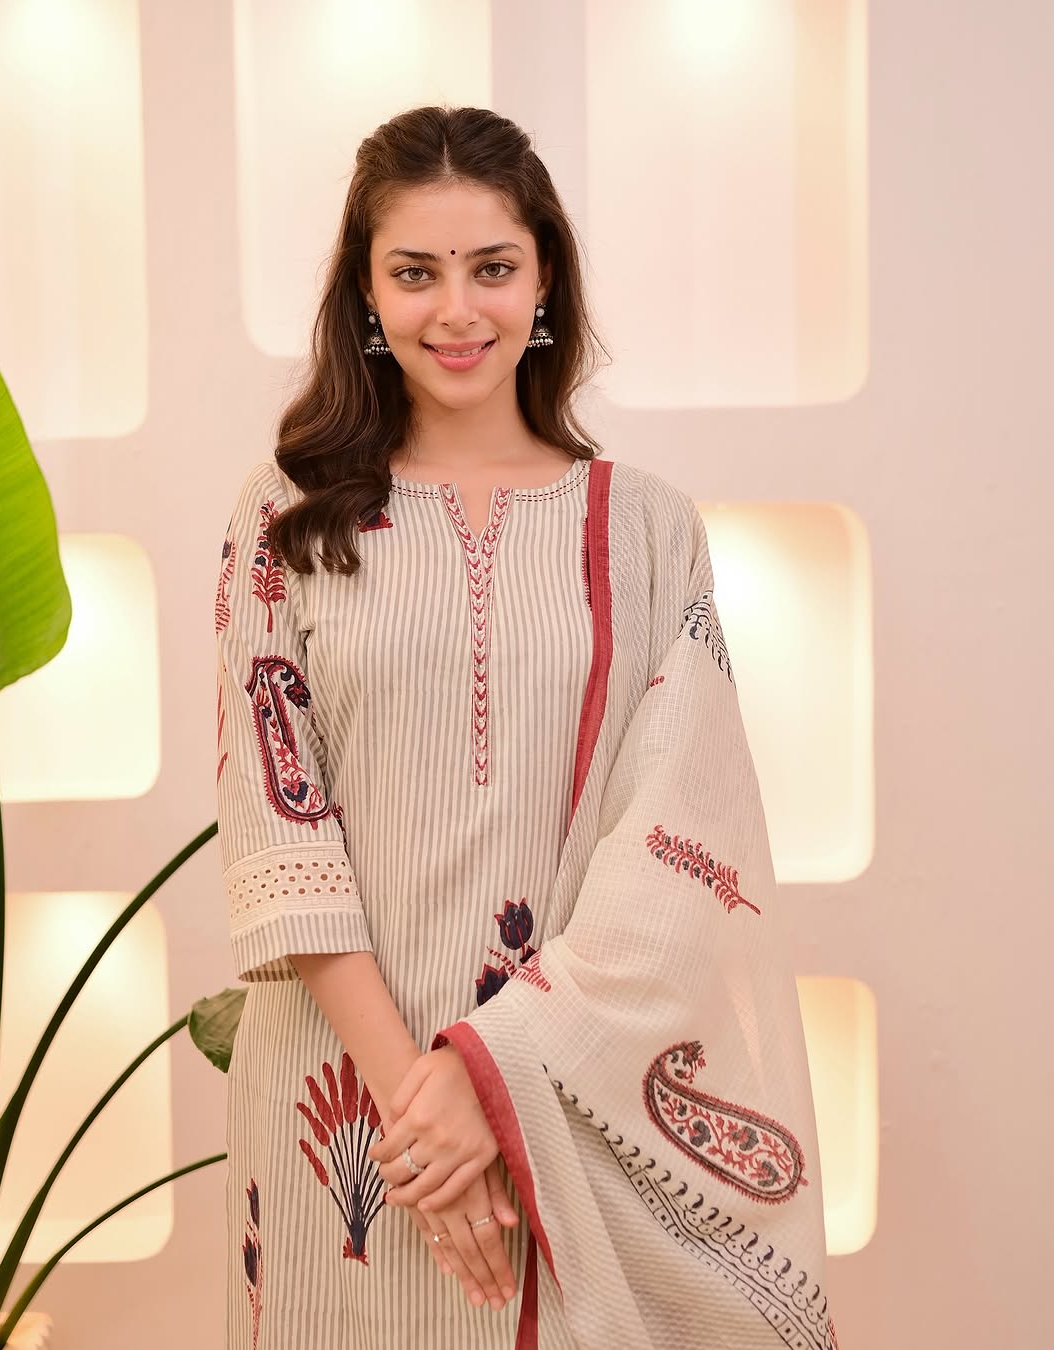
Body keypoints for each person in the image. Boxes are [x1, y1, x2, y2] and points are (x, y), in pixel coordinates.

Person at [214, 104, 837, 1350]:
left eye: (492, 268)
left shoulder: (647, 527)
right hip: (346, 1115)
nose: (457, 311)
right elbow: (283, 836)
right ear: (365, 295)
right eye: (415, 272)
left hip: (566, 1090)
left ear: (544, 279)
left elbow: (678, 839)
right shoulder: (288, 515)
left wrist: (492, 1078)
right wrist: (423, 1110)